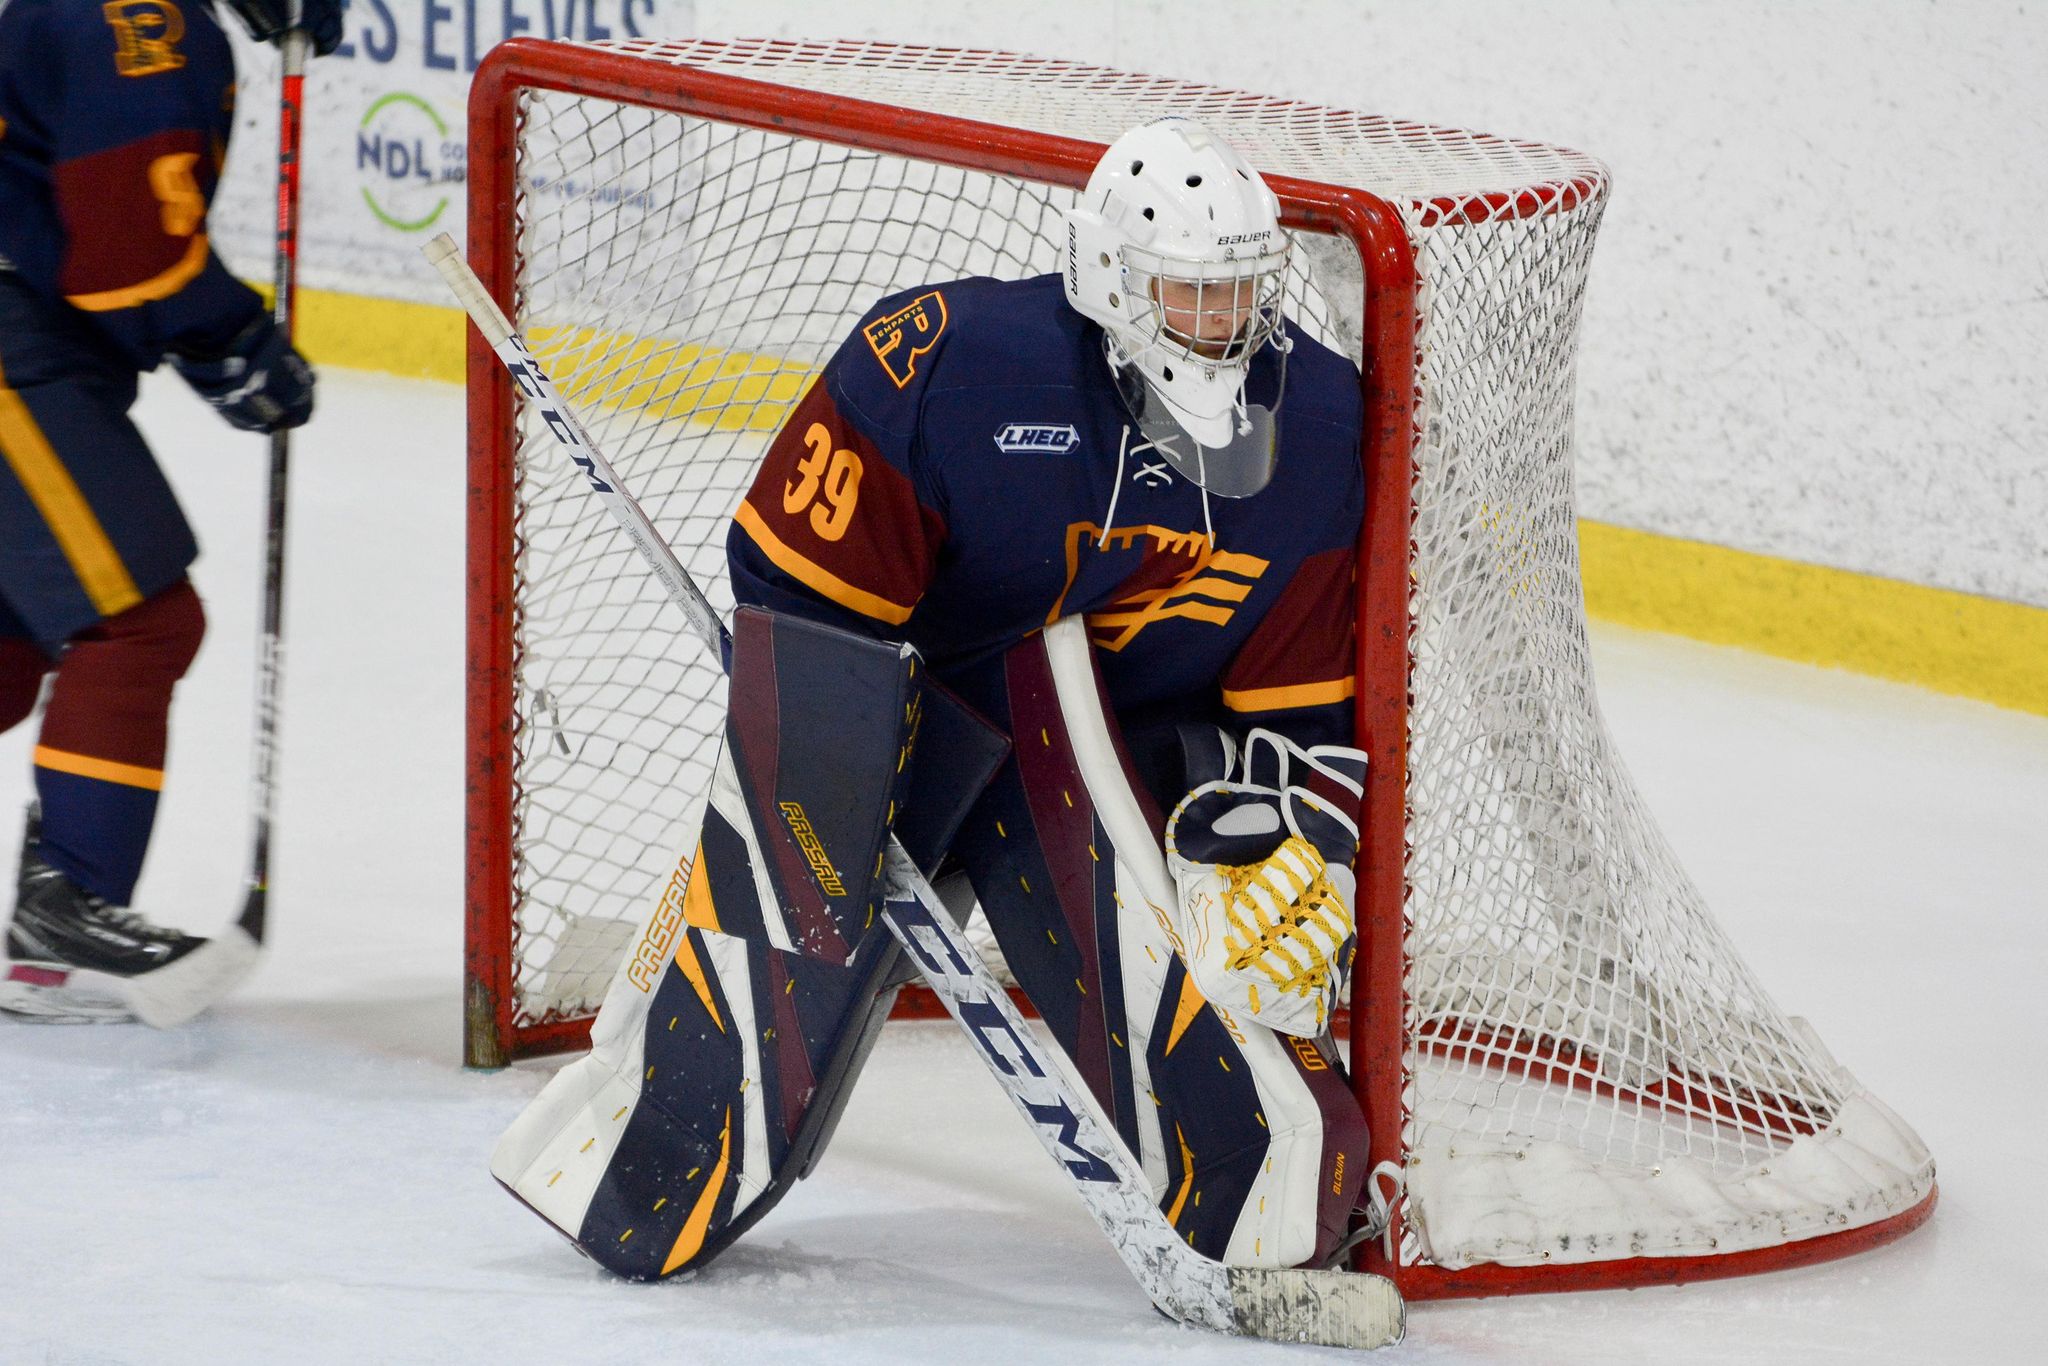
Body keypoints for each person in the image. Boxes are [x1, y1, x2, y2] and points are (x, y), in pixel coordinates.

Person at [491, 116, 1376, 1278]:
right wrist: (840, 780)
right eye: (1187, 291)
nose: (1222, 322)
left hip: (1136, 746)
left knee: (1277, 1134)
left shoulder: (1316, 424)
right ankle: (625, 1161)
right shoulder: (958, 365)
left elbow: (1296, 698)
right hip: (920, 712)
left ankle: (1249, 1203)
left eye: (1239, 292)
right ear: (1112, 278)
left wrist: (1292, 840)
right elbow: (800, 596)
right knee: (759, 985)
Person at [0, 0, 340, 1021]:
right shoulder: (141, 19)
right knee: (137, 620)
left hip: (38, 342)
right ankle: (63, 922)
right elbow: (127, 247)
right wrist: (231, 341)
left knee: (11, 648)